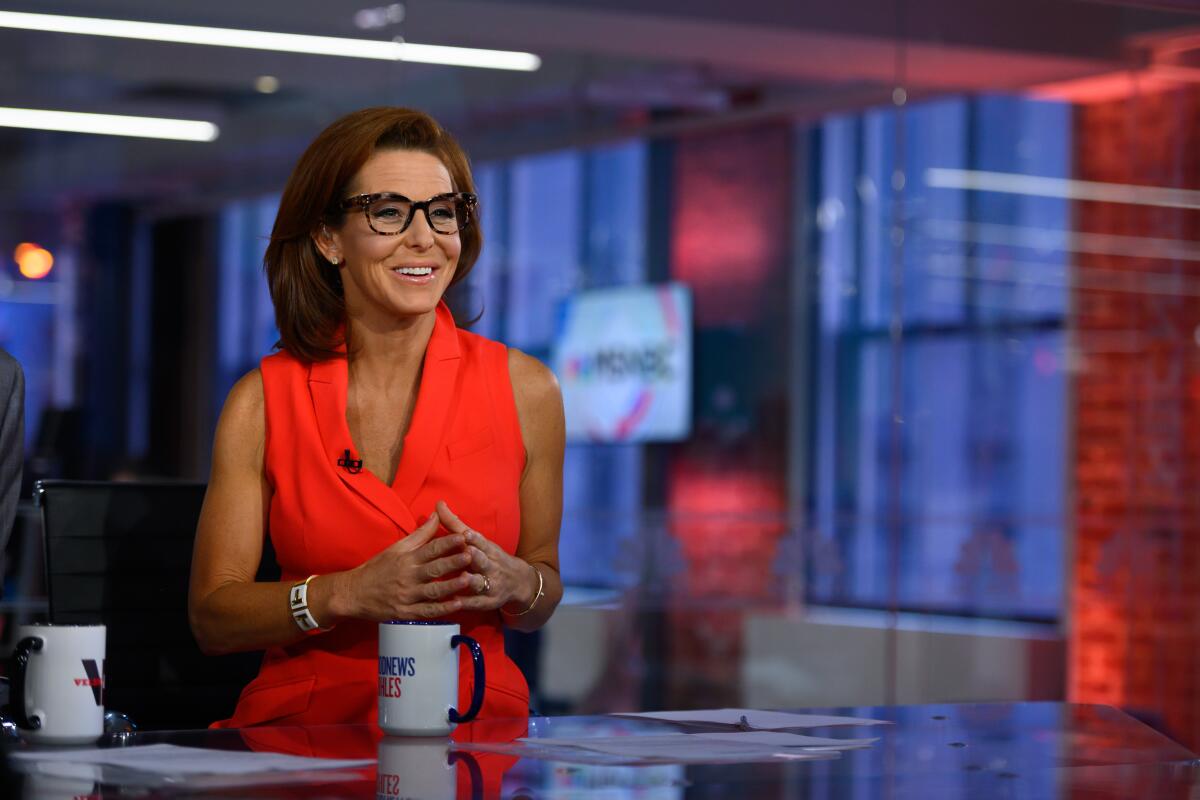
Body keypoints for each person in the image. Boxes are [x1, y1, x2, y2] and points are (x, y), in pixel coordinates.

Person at [188, 107, 565, 727]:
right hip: (305, 732)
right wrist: (346, 593)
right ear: (328, 238)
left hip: (474, 728)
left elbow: (543, 592)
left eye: (442, 212)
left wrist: (520, 582)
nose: (424, 238)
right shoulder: (261, 400)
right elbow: (213, 617)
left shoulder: (528, 389)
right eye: (389, 212)